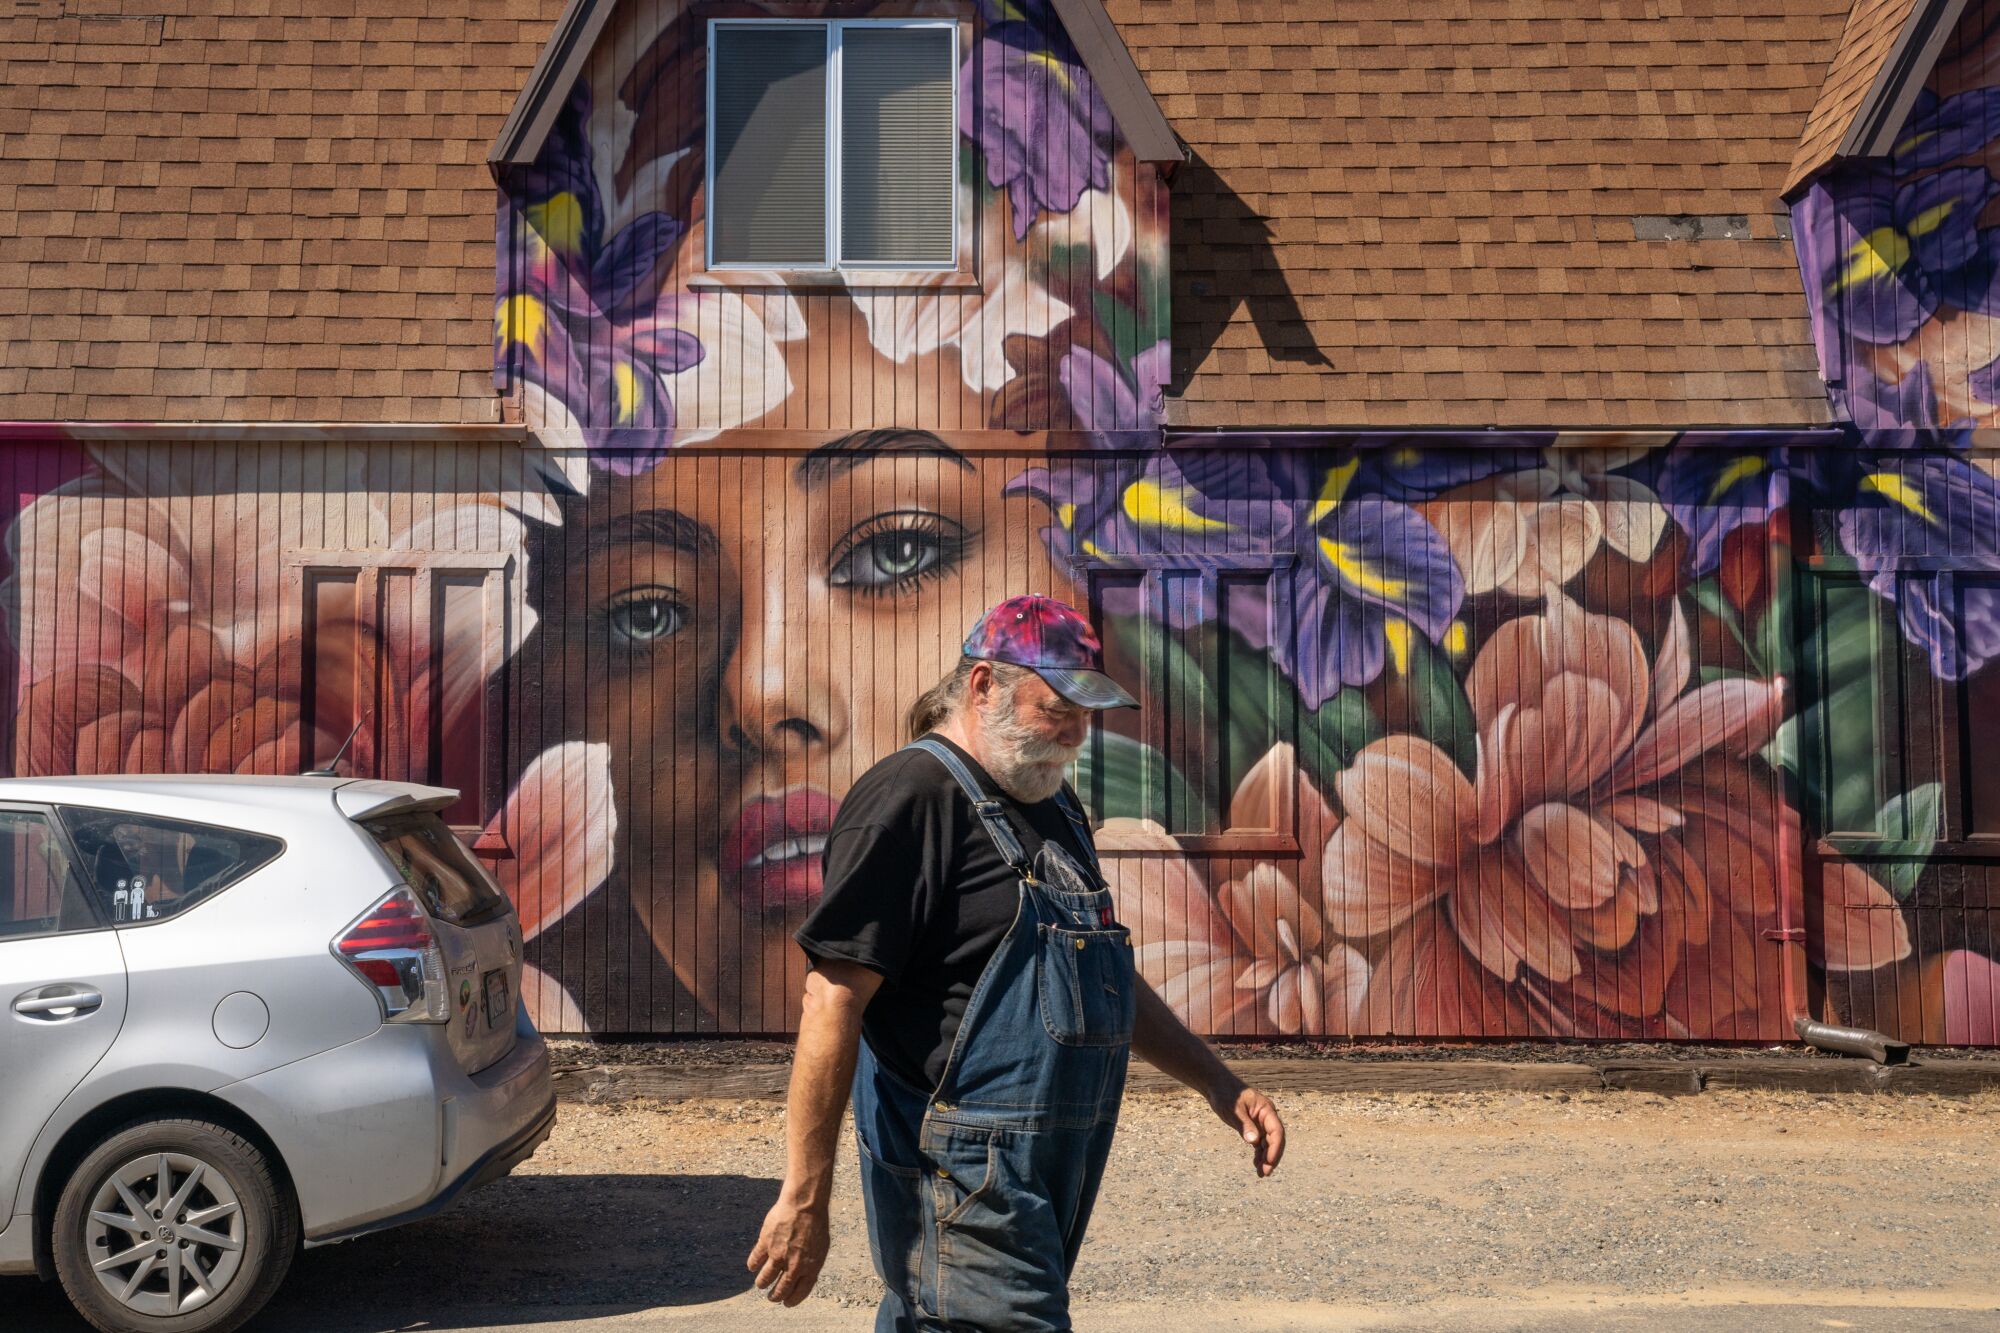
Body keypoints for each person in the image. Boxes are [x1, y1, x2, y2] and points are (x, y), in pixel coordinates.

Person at [745, 595, 1286, 1330]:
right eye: (1055, 707)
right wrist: (805, 1195)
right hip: (962, 1179)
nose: (1075, 732)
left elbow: (1100, 971)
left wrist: (1219, 1081)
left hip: (1047, 1170)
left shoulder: (1054, 805)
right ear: (982, 685)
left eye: (1087, 712)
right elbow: (831, 998)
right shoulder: (910, 798)